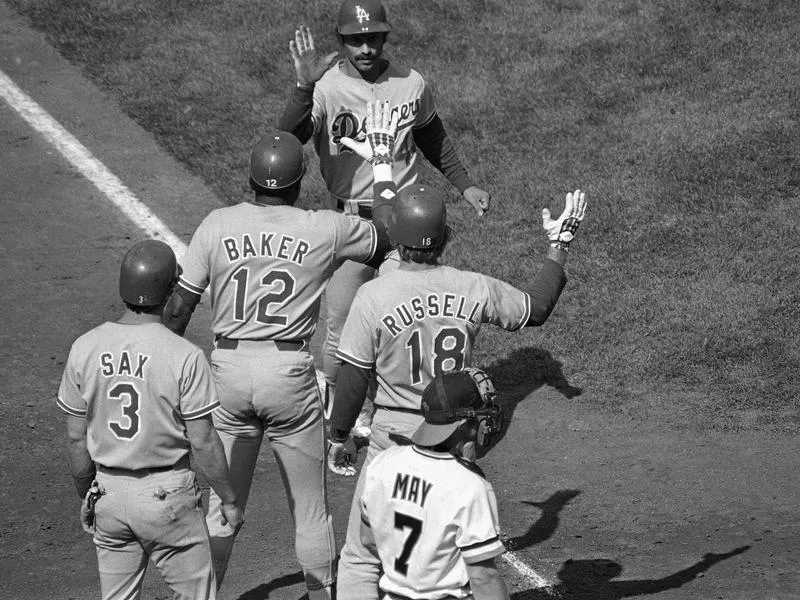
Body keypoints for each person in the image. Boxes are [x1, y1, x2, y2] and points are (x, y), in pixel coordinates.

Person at [326, 114, 588, 598]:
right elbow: (537, 308)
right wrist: (559, 245)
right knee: (454, 548)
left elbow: (353, 378)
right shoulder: (472, 287)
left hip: (390, 438)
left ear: (395, 239)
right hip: (455, 436)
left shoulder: (376, 293)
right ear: (446, 239)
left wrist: (341, 433)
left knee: (362, 555)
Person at [160, 129, 393, 600]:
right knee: (310, 511)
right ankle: (322, 592)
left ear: (250, 180)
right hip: (288, 378)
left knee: (223, 506)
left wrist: (160, 375)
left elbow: (180, 309)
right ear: (298, 182)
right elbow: (389, 236)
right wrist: (382, 167)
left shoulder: (217, 223)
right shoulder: (324, 227)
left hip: (226, 375)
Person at [278, 0, 492, 435]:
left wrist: (464, 184)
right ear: (342, 42)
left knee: (407, 316)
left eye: (372, 37)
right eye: (356, 40)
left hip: (403, 225)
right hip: (352, 225)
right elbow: (289, 137)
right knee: (341, 324)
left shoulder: (411, 84)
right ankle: (342, 410)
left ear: (384, 37)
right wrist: (303, 86)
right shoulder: (327, 86)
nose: (366, 47)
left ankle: (412, 408)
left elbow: (432, 136)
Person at [57, 240, 244, 600]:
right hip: (167, 499)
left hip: (108, 493)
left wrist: (90, 495)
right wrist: (230, 500)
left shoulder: (84, 346)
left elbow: (76, 440)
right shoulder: (184, 355)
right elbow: (203, 441)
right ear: (171, 290)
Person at [358, 368, 510, 600]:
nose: (486, 419)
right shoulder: (469, 485)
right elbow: (483, 578)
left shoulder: (383, 464)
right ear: (462, 425)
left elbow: (368, 540)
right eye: (481, 413)